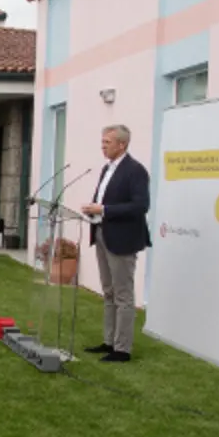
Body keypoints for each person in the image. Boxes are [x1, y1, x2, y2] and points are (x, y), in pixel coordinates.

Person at [81, 124, 151, 364]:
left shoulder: (135, 171)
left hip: (122, 239)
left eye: (107, 143)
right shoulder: (106, 169)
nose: (103, 146)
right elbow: (104, 200)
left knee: (123, 294)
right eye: (102, 142)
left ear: (122, 144)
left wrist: (104, 209)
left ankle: (123, 349)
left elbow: (141, 206)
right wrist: (94, 210)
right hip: (102, 233)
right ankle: (109, 341)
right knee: (108, 291)